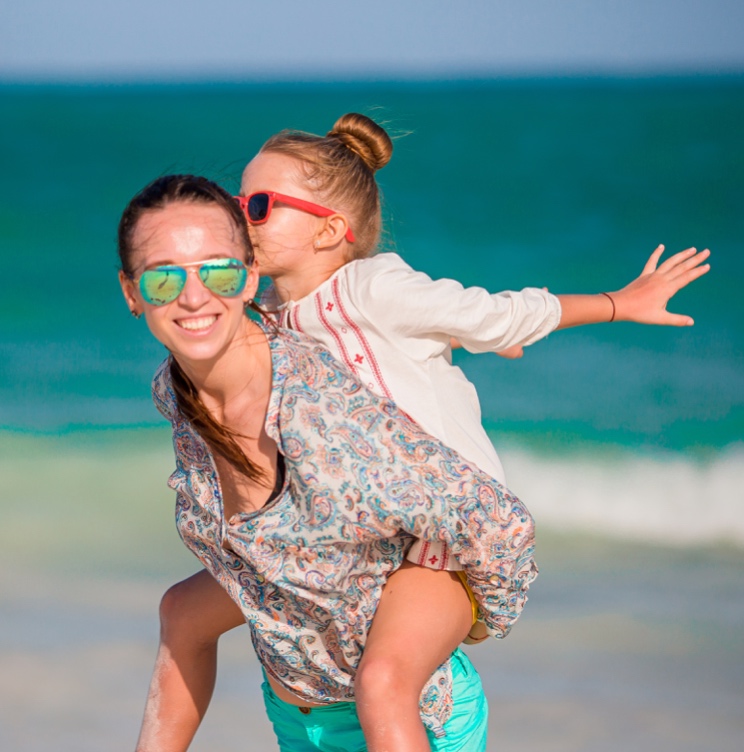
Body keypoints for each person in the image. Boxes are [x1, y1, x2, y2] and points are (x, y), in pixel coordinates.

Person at [134, 114, 711, 752]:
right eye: (238, 204)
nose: (242, 221)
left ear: (330, 229)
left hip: (443, 527)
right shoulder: (266, 318)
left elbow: (498, 311)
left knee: (383, 682)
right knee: (184, 610)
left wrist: (611, 304)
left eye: (261, 206)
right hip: (367, 531)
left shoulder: (377, 286)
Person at [118, 173, 539, 752]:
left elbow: (498, 521)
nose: (193, 297)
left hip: (405, 722)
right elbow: (268, 551)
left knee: (379, 681)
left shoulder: (317, 409)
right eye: (164, 278)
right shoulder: (177, 392)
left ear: (249, 278)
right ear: (131, 293)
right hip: (298, 721)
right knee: (182, 612)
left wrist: (463, 609)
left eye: (217, 271)